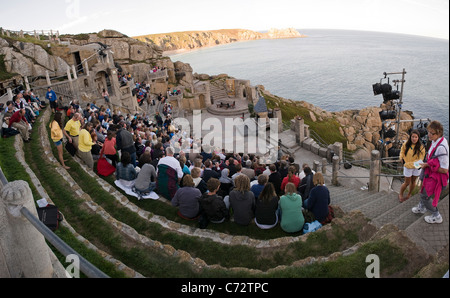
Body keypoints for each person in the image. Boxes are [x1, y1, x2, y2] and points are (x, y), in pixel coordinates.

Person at [412, 121, 449, 224]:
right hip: (429, 173)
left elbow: (445, 170)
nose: (428, 135)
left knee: (425, 196)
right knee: (423, 190)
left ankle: (436, 215)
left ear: (439, 133)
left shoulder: (441, 148)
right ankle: (422, 207)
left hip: (435, 178)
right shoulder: (436, 140)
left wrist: (428, 165)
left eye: (431, 133)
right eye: (429, 132)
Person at [399, 129, 426, 202]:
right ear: (410, 137)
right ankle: (401, 194)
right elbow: (402, 151)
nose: (414, 139)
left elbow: (420, 160)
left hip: (416, 167)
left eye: (416, 137)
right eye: (412, 137)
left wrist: (407, 164)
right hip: (408, 167)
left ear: (418, 138)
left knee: (413, 181)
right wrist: (401, 157)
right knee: (406, 182)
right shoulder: (406, 144)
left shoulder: (421, 147)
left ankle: (409, 194)